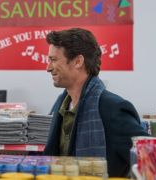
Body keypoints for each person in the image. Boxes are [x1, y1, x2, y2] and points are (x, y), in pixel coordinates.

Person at [43, 28, 148, 177]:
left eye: (53, 60)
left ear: (78, 61)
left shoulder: (113, 108)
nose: (48, 68)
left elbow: (150, 159)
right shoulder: (60, 104)